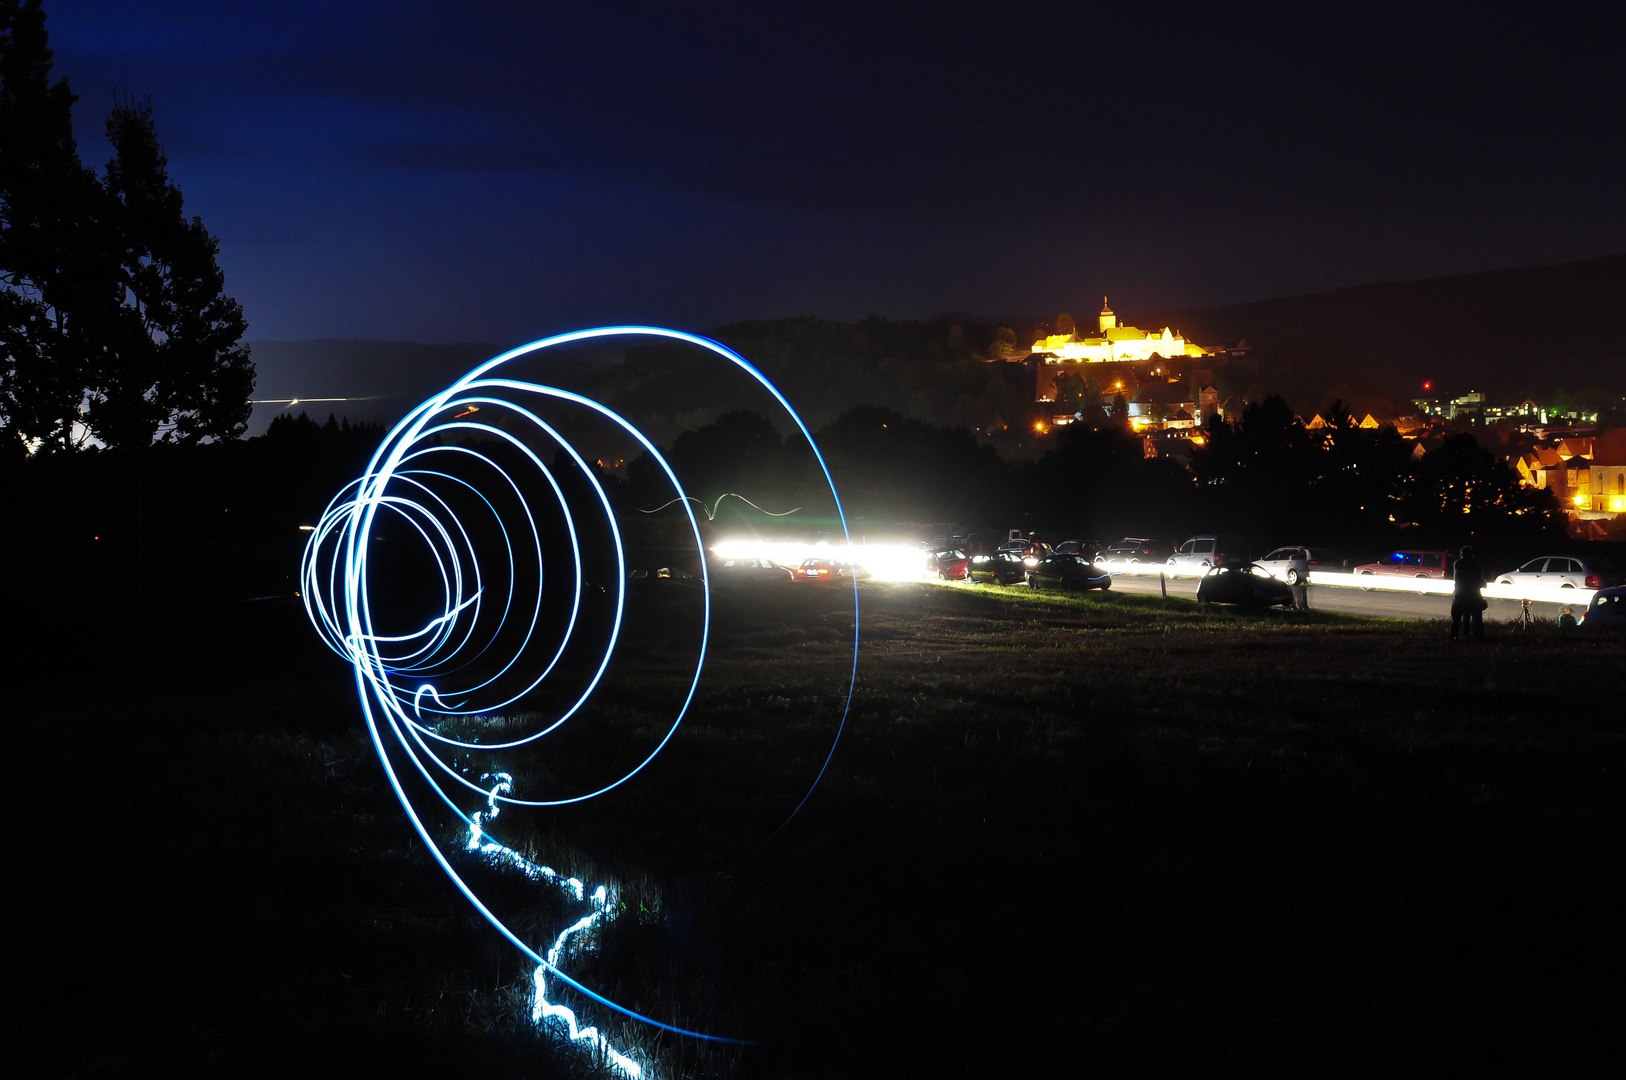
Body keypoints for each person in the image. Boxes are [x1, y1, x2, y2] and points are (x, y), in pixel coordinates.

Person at [1450, 544, 1486, 642]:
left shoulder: (1457, 563)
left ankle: (1454, 638)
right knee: (1477, 619)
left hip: (1460, 594)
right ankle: (1479, 638)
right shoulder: (1475, 564)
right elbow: (1480, 579)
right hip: (1473, 595)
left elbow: (1457, 578)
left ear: (1461, 554)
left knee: (1456, 620)